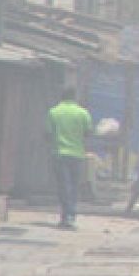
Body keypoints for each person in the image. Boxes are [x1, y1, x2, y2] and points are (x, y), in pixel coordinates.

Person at [46, 87, 93, 229]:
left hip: (59, 153)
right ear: (74, 97)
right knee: (73, 186)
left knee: (63, 186)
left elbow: (47, 133)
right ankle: (71, 215)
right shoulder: (83, 113)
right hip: (77, 154)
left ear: (62, 96)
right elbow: (88, 132)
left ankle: (66, 215)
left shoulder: (53, 112)